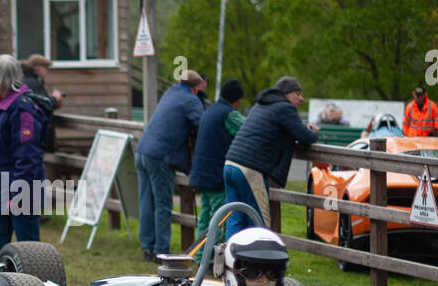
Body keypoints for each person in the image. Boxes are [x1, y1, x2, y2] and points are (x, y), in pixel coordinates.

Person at [0, 54, 49, 259]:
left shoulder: (23, 108)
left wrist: (18, 195)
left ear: (1, 79)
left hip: (22, 188)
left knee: (28, 246)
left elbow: (28, 156)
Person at [223, 76, 318, 237]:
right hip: (249, 170)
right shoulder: (284, 108)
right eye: (298, 94)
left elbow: (287, 128)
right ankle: (256, 261)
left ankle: (231, 260)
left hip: (230, 164)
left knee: (235, 218)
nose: (301, 99)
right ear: (286, 94)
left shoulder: (261, 105)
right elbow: (305, 137)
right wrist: (314, 132)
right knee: (258, 223)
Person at [134, 70, 206, 261]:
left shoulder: (170, 93)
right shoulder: (191, 100)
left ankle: (147, 247)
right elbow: (202, 125)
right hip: (160, 156)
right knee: (162, 204)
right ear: (196, 87)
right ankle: (161, 250)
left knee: (146, 201)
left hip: (142, 151)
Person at [189, 79, 245, 242]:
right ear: (237, 99)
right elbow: (250, 129)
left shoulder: (210, 110)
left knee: (204, 220)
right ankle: (213, 261)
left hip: (201, 174)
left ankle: (201, 260)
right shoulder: (229, 114)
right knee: (219, 221)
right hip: (216, 175)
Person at [21, 53, 62, 151]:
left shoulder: (27, 80)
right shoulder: (32, 83)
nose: (47, 70)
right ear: (38, 67)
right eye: (46, 67)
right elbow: (43, 105)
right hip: (38, 133)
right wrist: (55, 98)